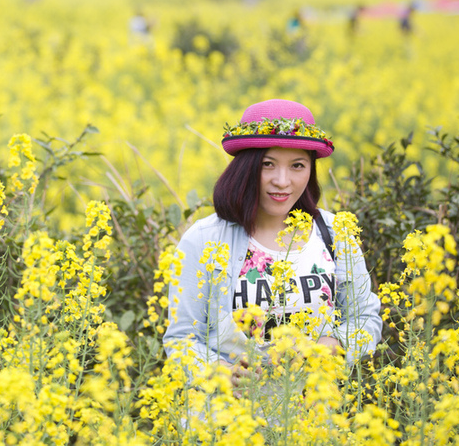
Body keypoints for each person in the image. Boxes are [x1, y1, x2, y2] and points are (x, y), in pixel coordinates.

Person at [163, 99, 382, 393]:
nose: (282, 181)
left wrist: (338, 343)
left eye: (297, 166)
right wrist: (219, 373)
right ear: (245, 168)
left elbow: (365, 319)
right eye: (268, 164)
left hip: (314, 423)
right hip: (227, 424)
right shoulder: (204, 240)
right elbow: (180, 340)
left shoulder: (335, 233)